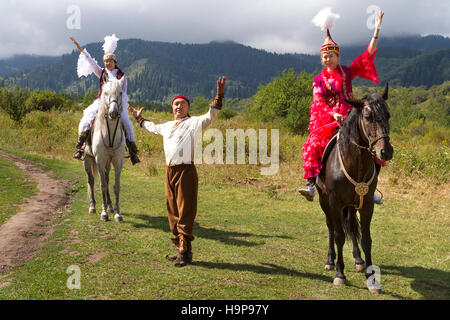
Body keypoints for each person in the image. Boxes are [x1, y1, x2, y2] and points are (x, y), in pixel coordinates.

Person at [128, 76, 226, 267]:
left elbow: (211, 115)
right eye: (175, 104)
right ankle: (182, 250)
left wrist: (219, 96)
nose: (178, 107)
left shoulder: (195, 122)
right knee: (172, 211)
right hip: (169, 171)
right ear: (172, 108)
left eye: (182, 104)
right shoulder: (166, 126)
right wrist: (138, 118)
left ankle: (184, 249)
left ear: (188, 107)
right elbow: (151, 127)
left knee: (185, 210)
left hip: (186, 170)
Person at [299, 9, 385, 203]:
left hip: (350, 115)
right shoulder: (318, 80)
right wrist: (332, 114)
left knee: (373, 145)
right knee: (314, 145)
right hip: (327, 117)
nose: (328, 59)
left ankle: (371, 188)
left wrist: (376, 30)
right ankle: (311, 185)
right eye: (324, 57)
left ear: (338, 56)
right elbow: (318, 101)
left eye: (331, 55)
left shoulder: (347, 72)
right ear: (321, 59)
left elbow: (367, 56)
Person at [70, 34, 140, 165]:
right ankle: (80, 146)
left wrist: (122, 106)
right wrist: (81, 50)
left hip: (117, 102)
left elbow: (123, 93)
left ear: (115, 62)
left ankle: (132, 151)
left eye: (110, 61)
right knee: (88, 118)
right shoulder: (101, 72)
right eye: (106, 61)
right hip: (101, 101)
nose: (108, 63)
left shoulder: (122, 76)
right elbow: (91, 62)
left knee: (126, 122)